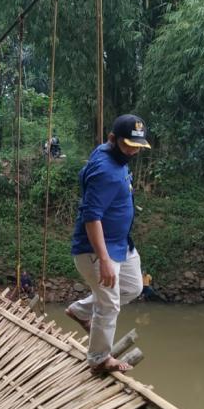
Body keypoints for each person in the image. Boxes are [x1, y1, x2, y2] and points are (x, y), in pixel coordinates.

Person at [65, 114, 150, 373]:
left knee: (133, 287)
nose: (133, 152)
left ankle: (80, 311)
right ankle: (99, 359)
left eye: (137, 146)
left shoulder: (110, 154)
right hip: (98, 248)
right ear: (112, 139)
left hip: (120, 243)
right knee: (109, 303)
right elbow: (92, 216)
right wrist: (103, 259)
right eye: (128, 146)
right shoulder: (105, 170)